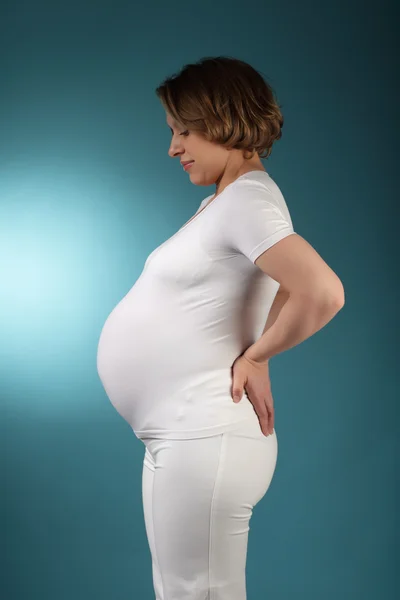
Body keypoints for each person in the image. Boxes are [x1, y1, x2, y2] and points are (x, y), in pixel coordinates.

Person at [96, 56, 345, 599]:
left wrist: (257, 357)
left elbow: (321, 291)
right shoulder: (229, 203)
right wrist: (262, 349)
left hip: (204, 436)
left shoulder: (248, 200)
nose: (173, 148)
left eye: (183, 131)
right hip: (182, 435)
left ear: (223, 118)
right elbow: (277, 287)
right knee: (183, 591)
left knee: (198, 592)